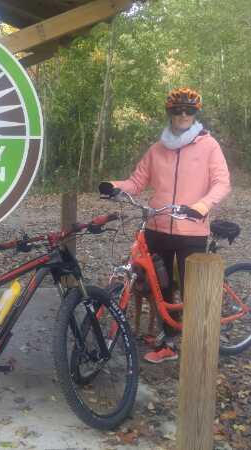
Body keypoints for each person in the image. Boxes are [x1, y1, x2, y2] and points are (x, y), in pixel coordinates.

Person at [98, 87, 231, 364]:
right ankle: (169, 343)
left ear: (195, 114)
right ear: (169, 113)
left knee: (193, 290)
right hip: (156, 226)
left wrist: (202, 206)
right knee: (161, 287)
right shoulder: (158, 149)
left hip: (191, 229)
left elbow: (221, 183)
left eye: (189, 110)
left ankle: (200, 345)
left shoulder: (209, 146)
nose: (183, 115)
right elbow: (137, 182)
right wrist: (114, 186)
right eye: (177, 110)